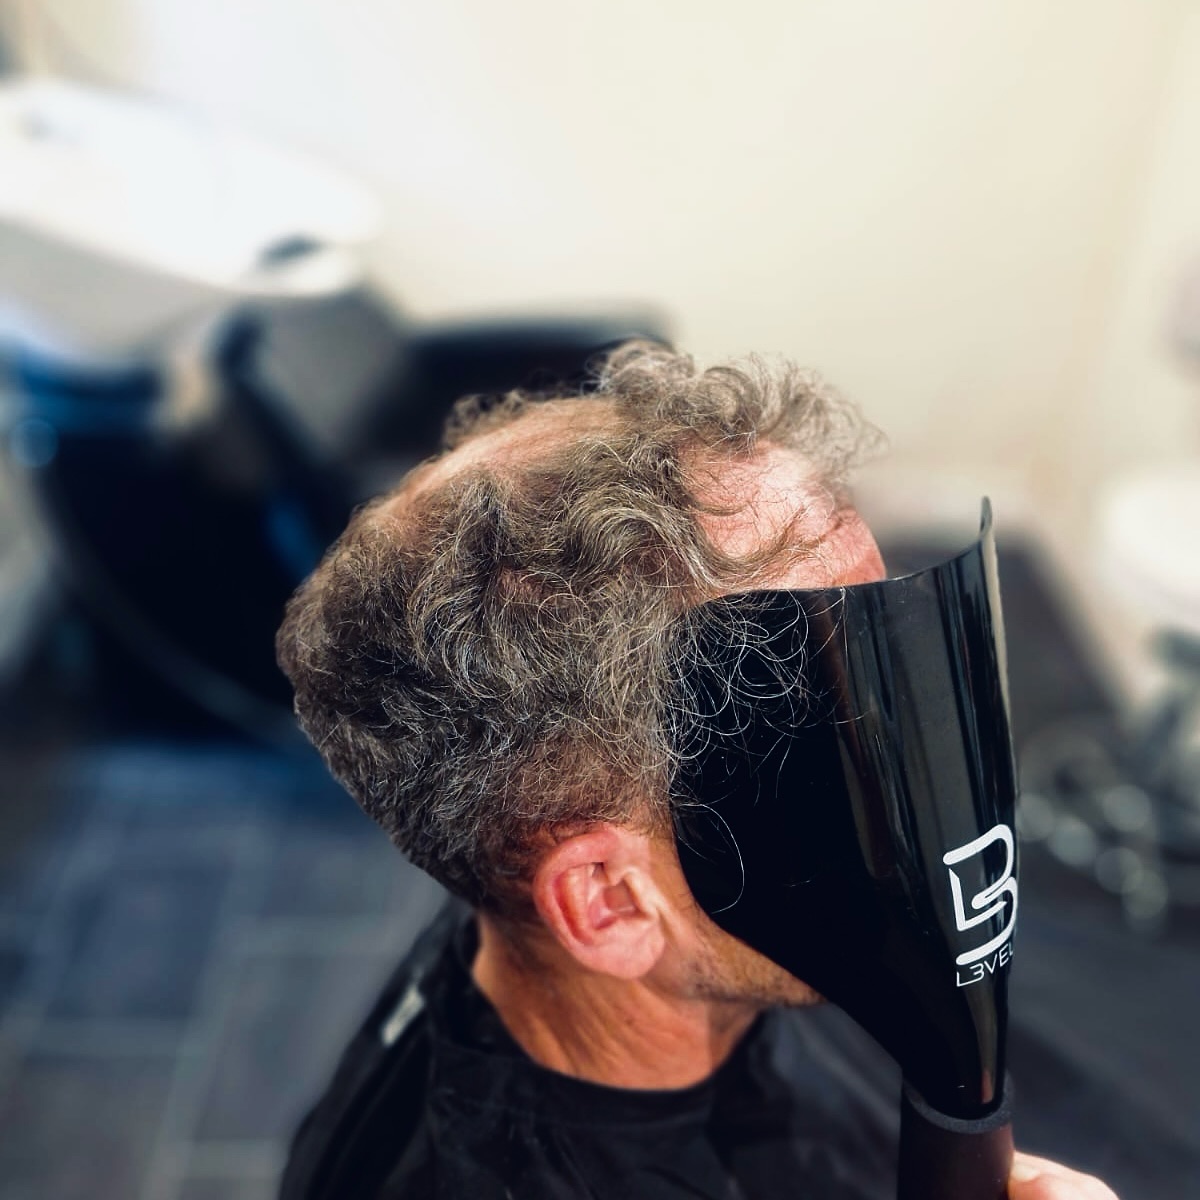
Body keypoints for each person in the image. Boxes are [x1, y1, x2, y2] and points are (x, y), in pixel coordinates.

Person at [275, 343, 1117, 1199]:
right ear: (610, 901)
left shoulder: (573, 902)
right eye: (826, 755)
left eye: (877, 661)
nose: (919, 790)